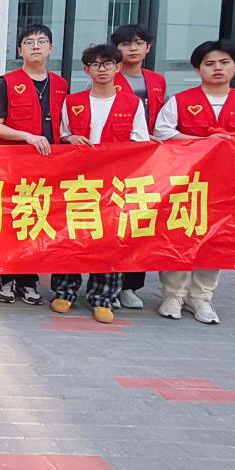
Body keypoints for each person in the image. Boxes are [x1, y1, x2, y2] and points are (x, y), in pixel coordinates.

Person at [153, 39, 235, 325]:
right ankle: (173, 295)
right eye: (209, 63)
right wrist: (203, 142)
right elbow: (162, 133)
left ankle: (202, 297)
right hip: (186, 186)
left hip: (227, 190)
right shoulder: (181, 101)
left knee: (215, 240)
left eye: (224, 62)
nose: (217, 68)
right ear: (198, 69)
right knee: (178, 235)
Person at [52, 43, 151, 324]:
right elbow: (63, 134)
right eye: (95, 65)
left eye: (108, 64)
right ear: (87, 70)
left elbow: (140, 142)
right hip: (78, 181)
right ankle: (65, 291)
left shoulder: (132, 103)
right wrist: (70, 138)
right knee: (73, 234)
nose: (102, 69)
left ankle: (103, 297)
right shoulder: (73, 101)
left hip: (115, 183)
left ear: (118, 67)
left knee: (110, 238)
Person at [0, 23, 68, 306]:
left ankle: (29, 280)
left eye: (42, 41)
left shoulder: (61, 85)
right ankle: (6, 279)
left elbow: (63, 125)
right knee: (12, 220)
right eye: (29, 42)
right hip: (14, 164)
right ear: (19, 49)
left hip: (49, 167)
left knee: (39, 220)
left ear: (51, 48)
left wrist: (71, 137)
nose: (36, 46)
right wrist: (27, 136)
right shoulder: (6, 82)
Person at [109, 23, 167, 311]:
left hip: (148, 161)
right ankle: (108, 284)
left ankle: (131, 286)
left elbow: (161, 119)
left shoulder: (156, 80)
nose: (132, 48)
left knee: (140, 222)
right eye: (125, 44)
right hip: (116, 162)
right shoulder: (107, 76)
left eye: (139, 43)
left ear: (148, 48)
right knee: (112, 222)